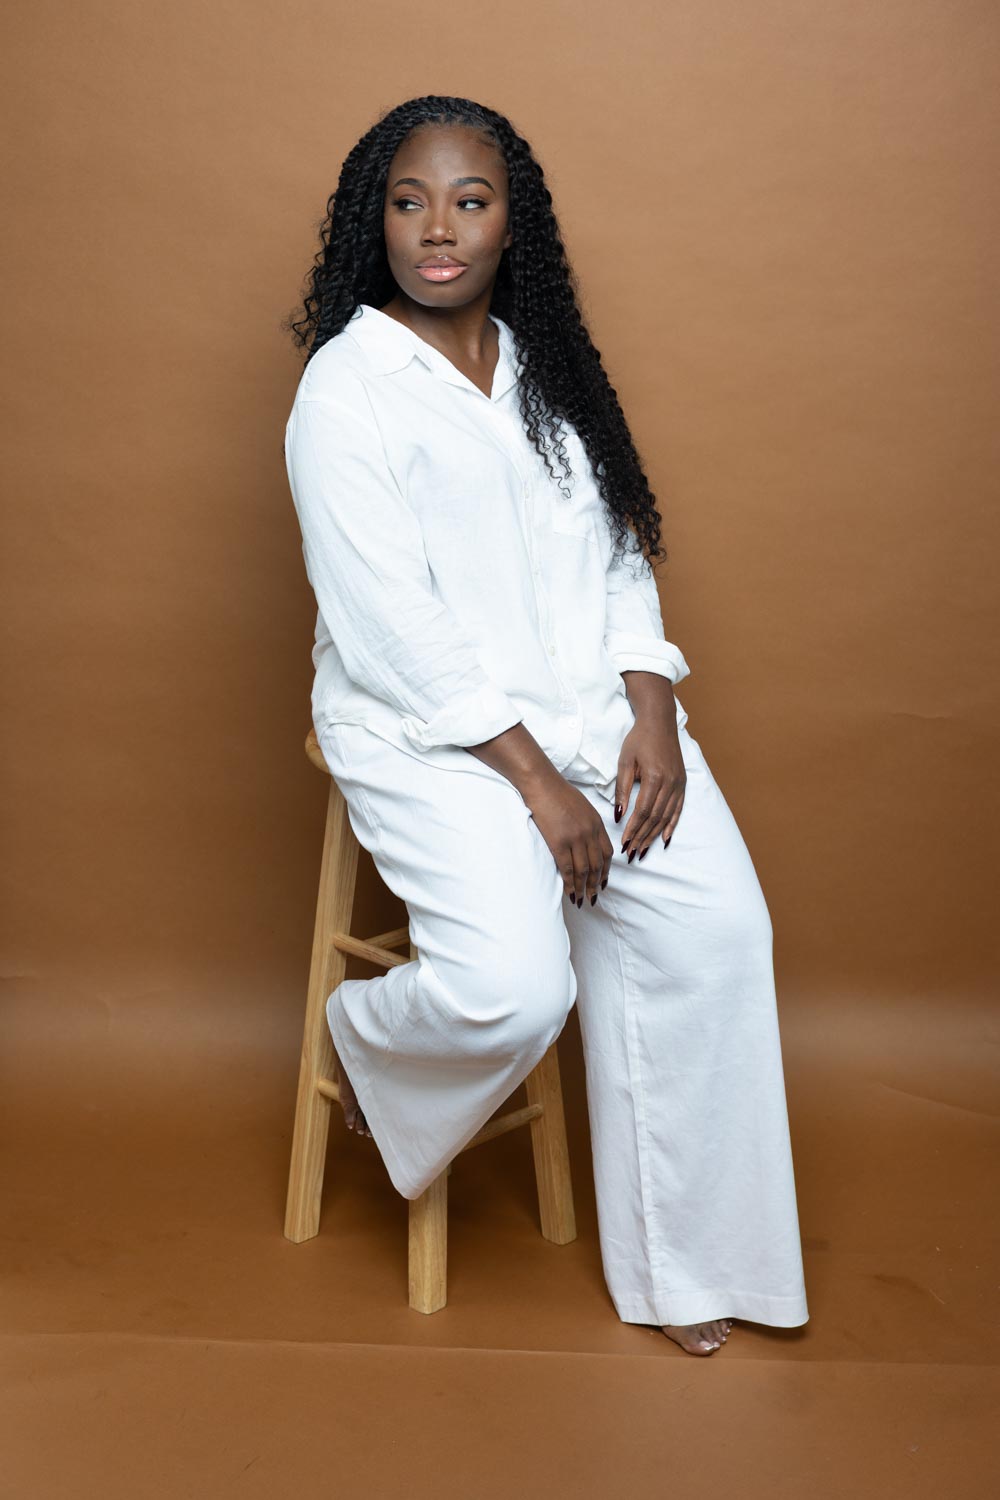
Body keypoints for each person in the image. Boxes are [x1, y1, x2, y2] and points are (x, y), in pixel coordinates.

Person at [282, 95, 809, 1356]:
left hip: (590, 712)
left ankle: (691, 1265)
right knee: (515, 993)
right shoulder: (346, 389)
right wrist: (534, 781)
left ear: (511, 224)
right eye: (409, 201)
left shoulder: (547, 372)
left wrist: (652, 707)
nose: (438, 229)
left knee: (719, 933)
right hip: (430, 734)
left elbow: (616, 552)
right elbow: (392, 626)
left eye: (469, 201)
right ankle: (369, 1038)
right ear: (373, 221)